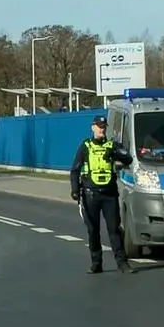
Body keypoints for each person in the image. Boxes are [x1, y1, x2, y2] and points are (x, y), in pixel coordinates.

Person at [68, 115, 136, 274]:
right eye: (99, 127)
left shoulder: (111, 145)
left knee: (114, 229)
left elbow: (128, 159)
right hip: (90, 194)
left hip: (109, 195)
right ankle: (96, 263)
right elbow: (75, 170)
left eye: (104, 127)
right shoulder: (85, 146)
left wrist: (116, 154)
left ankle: (122, 263)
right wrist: (75, 190)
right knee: (93, 230)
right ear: (93, 127)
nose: (102, 130)